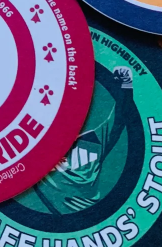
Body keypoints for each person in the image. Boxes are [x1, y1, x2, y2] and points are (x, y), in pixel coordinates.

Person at [30, 66, 137, 214]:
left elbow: (120, 117)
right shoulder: (34, 150)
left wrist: (126, 85)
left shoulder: (92, 141)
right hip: (55, 221)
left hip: (94, 216)